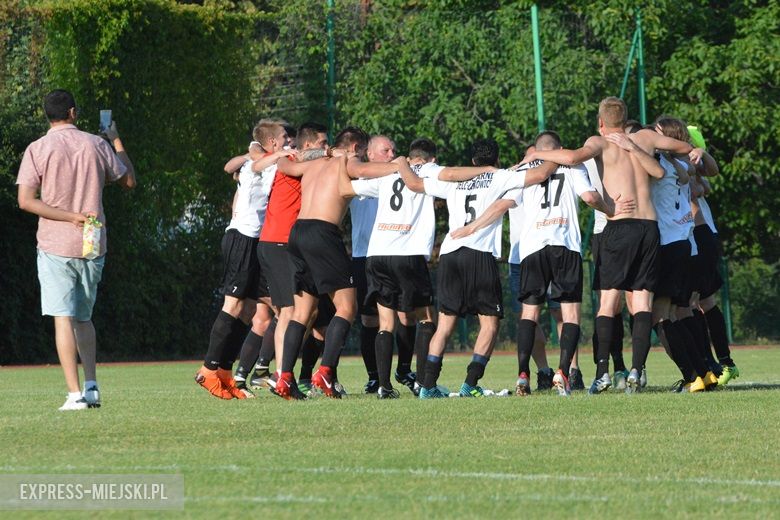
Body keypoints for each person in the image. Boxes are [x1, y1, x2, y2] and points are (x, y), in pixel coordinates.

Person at [526, 97, 687, 394]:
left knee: (608, 303)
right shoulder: (646, 137)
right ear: (625, 118)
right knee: (642, 303)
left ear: (601, 122)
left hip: (619, 226)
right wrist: (642, 147)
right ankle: (637, 371)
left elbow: (573, 157)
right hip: (649, 228)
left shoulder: (599, 142)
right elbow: (684, 149)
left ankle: (603, 372)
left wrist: (536, 152)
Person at [457, 131, 635, 396]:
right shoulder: (571, 166)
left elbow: (504, 204)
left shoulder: (523, 171)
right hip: (564, 246)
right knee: (570, 314)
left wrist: (472, 226)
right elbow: (589, 198)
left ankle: (523, 375)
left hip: (532, 249)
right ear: (558, 149)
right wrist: (610, 208)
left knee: (529, 314)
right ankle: (563, 372)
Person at [399, 139, 557, 398]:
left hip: (450, 253)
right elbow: (541, 173)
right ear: (497, 159)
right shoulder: (499, 176)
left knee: (445, 325)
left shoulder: (456, 179)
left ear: (473, 161)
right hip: (479, 254)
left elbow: (414, 184)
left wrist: (401, 163)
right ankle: (470, 383)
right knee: (490, 323)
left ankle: (427, 385)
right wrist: (555, 155)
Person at [17, 89, 136, 411]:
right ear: (72, 112)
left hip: (56, 243)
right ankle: (92, 386)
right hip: (92, 243)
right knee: (84, 318)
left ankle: (74, 395)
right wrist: (115, 140)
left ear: (47, 114)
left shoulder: (37, 148)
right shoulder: (95, 144)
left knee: (63, 318)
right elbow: (128, 181)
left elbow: (26, 201)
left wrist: (69, 216)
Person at [194, 120, 289, 399]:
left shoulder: (265, 156)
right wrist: (277, 155)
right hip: (241, 238)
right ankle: (208, 369)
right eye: (284, 138)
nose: (287, 142)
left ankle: (225, 372)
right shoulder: (259, 159)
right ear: (272, 142)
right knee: (233, 304)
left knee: (248, 310)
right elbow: (254, 163)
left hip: (257, 241)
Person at [338, 138, 439, 398]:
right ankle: (417, 382)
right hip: (401, 253)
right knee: (422, 317)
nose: (393, 154)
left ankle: (388, 383)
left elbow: (344, 187)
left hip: (377, 256)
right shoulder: (423, 171)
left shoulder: (383, 178)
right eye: (387, 150)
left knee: (389, 320)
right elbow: (452, 176)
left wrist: (340, 162)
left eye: (394, 151)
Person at [256, 122, 328, 392]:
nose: (325, 148)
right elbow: (261, 157)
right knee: (287, 311)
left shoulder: (304, 160)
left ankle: (283, 371)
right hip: (278, 242)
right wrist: (330, 154)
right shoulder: (289, 158)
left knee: (305, 312)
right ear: (308, 145)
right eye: (322, 143)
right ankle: (279, 374)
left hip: (290, 243)